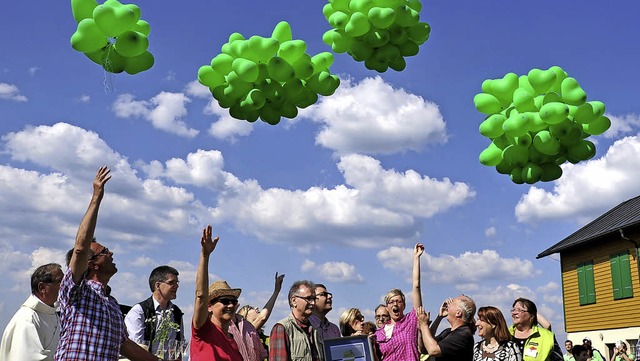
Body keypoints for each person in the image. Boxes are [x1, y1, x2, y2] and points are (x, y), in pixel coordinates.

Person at [54, 166, 158, 361]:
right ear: (92, 264)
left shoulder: (112, 305)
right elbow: (80, 248)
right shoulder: (77, 292)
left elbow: (126, 346)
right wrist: (96, 198)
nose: (111, 253)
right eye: (105, 251)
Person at [191, 225, 243, 361]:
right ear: (209, 306)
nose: (231, 305)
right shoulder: (203, 330)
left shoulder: (233, 341)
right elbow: (200, 296)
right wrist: (205, 255)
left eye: (233, 301)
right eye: (225, 301)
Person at [0, 263, 63, 361]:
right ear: (42, 288)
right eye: (60, 282)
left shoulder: (56, 316)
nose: (65, 286)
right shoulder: (27, 320)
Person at [374, 243, 425, 360]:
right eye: (391, 302)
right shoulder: (378, 334)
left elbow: (416, 285)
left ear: (404, 305)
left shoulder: (411, 320)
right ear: (387, 307)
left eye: (398, 301)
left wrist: (416, 258)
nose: (395, 304)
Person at [125, 265, 184, 356]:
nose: (176, 286)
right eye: (171, 283)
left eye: (177, 282)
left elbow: (180, 344)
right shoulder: (139, 311)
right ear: (157, 285)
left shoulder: (176, 312)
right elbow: (136, 348)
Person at [233, 272, 285, 360]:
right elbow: (263, 317)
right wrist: (276, 291)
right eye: (250, 308)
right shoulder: (247, 331)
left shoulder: (264, 338)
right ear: (244, 318)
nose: (256, 308)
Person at [269, 280, 324, 361]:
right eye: (308, 298)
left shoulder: (314, 330)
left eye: (314, 299)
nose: (312, 303)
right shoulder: (282, 328)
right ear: (294, 301)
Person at [417, 295, 477, 361]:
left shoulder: (463, 334)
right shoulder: (448, 332)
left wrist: (424, 325)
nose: (448, 305)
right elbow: (424, 349)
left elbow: (433, 350)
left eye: (452, 303)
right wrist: (438, 318)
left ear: (458, 313)